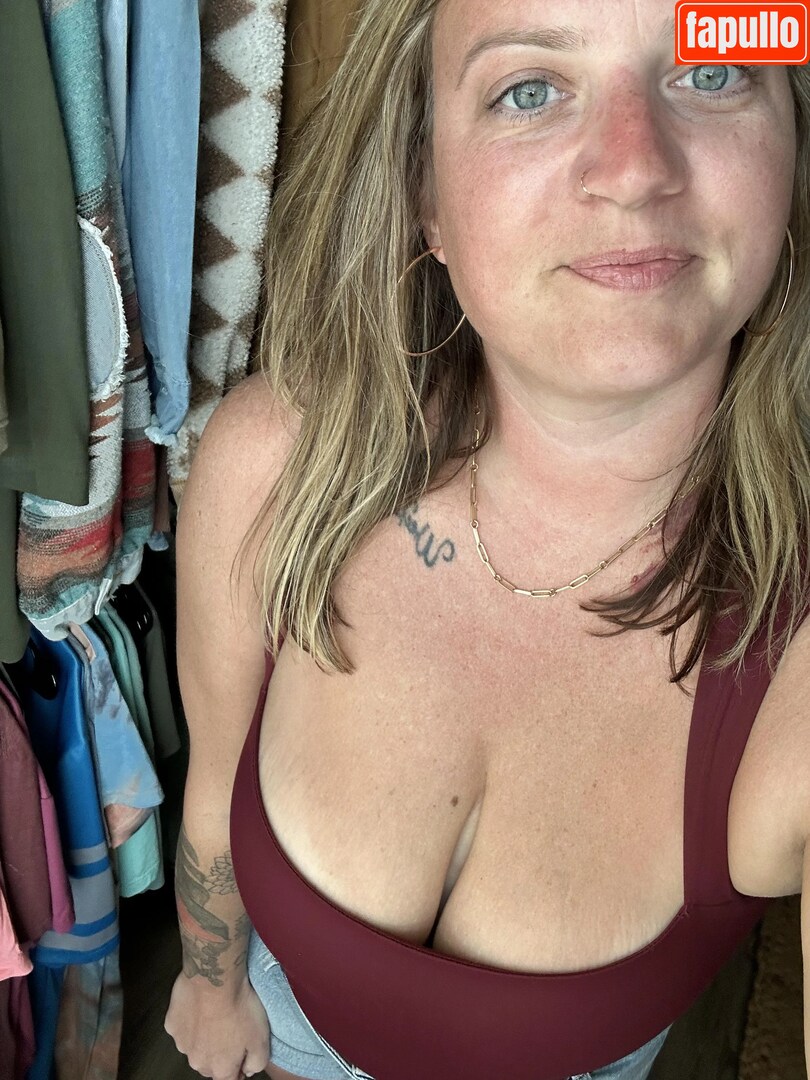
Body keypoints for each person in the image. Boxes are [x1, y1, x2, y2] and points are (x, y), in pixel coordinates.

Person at [163, 0, 810, 1078]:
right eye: (530, 90)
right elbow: (212, 794)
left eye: (714, 72)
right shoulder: (273, 466)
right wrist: (209, 980)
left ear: (791, 150)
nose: (634, 168)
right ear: (427, 194)